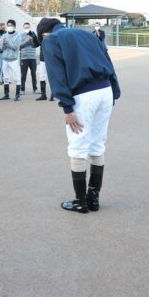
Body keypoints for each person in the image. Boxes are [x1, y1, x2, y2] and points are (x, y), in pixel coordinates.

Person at [36, 17, 121, 213]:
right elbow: (108, 61)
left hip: (83, 95)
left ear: (43, 34)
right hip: (105, 91)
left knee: (77, 145)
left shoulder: (51, 39)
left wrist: (67, 107)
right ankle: (94, 198)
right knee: (97, 144)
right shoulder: (88, 34)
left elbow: (56, 75)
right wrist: (114, 92)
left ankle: (80, 201)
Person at [0, 19, 28, 101]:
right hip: (5, 59)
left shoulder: (18, 35)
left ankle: (17, 95)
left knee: (17, 77)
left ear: (14, 26)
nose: (9, 27)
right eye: (8, 25)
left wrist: (7, 42)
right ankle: (6, 95)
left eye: (11, 25)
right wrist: (3, 44)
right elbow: (1, 48)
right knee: (5, 78)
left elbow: (16, 47)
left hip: (14, 59)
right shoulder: (4, 35)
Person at [34, 30, 54, 102]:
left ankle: (53, 94)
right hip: (42, 60)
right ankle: (43, 95)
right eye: (43, 35)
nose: (44, 36)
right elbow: (35, 44)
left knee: (51, 77)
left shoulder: (52, 38)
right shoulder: (40, 39)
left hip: (51, 60)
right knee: (42, 77)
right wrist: (34, 37)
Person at [20, 22, 39, 94]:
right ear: (23, 28)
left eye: (28, 27)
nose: (26, 28)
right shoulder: (21, 36)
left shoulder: (33, 35)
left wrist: (32, 40)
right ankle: (22, 89)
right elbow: (20, 46)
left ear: (30, 27)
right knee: (23, 75)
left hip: (32, 58)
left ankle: (35, 89)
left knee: (33, 74)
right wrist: (27, 40)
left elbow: (35, 45)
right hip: (24, 58)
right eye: (25, 27)